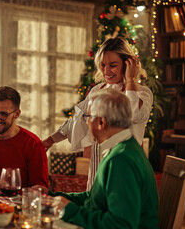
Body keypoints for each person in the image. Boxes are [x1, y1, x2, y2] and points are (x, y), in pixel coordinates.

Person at [35, 89, 158, 229]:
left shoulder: (120, 160)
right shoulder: (124, 147)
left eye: (87, 117)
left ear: (101, 122)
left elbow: (121, 225)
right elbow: (96, 197)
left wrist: (69, 210)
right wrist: (52, 197)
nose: (86, 123)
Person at [43, 37, 153, 190]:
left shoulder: (142, 93)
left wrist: (131, 79)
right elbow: (78, 120)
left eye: (113, 65)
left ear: (128, 64)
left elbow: (133, 114)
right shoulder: (97, 90)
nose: (106, 71)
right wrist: (50, 140)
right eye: (102, 65)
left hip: (124, 172)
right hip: (96, 171)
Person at [0, 86, 49, 193]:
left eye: (3, 114)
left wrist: (11, 188)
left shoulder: (33, 144)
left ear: (16, 114)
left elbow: (42, 191)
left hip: (18, 208)